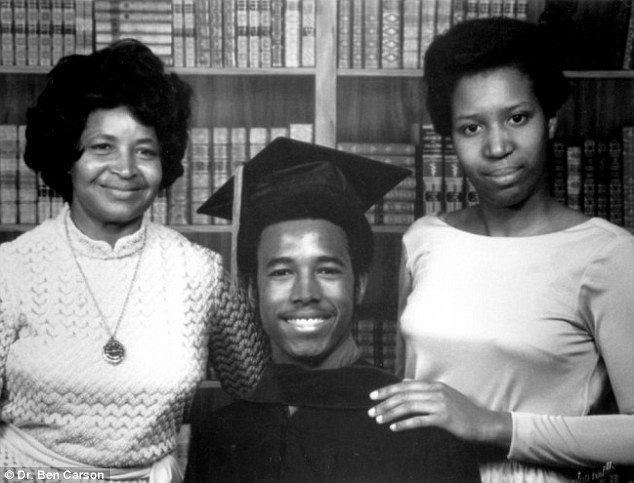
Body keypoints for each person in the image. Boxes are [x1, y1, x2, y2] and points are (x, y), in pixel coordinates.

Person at [367, 17, 634, 483]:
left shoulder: (607, 254)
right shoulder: (424, 239)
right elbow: (403, 396)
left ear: (551, 119)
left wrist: (494, 425)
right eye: (471, 127)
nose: (497, 146)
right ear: (449, 138)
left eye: (517, 118)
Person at [0, 40, 266, 482]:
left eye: (145, 151)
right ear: (68, 156)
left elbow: (255, 389)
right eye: (102, 147)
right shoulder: (9, 270)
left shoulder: (200, 273)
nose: (125, 169)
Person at [184, 137, 481, 483]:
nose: (305, 293)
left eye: (327, 270)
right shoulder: (219, 435)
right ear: (252, 290)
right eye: (282, 272)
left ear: (360, 285)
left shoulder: (419, 428)